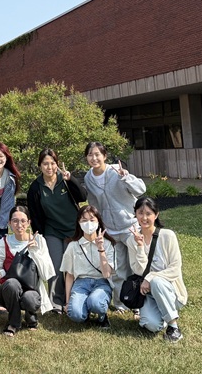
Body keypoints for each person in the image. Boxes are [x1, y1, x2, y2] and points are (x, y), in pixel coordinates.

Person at [82, 141, 146, 311]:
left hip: (130, 226)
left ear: (104, 156)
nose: (94, 158)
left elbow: (140, 189)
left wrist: (126, 177)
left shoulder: (116, 171)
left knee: (137, 265)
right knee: (118, 268)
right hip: (110, 229)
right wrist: (98, 226)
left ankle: (139, 302)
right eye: (90, 155)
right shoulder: (88, 178)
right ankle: (121, 303)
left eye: (97, 154)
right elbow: (94, 204)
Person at [26, 147, 87, 314]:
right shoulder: (36, 187)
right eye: (45, 164)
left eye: (53, 163)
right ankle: (56, 302)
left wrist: (71, 179)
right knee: (55, 266)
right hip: (52, 230)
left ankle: (73, 299)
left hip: (73, 229)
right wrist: (39, 235)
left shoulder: (65, 180)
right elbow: (35, 214)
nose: (49, 167)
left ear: (57, 164)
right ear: (40, 166)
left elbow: (83, 196)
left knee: (72, 266)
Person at [126, 196, 187, 342]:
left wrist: (150, 277)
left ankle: (173, 327)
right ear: (135, 214)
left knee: (157, 281)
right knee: (151, 325)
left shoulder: (168, 236)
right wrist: (140, 247)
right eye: (140, 213)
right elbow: (138, 271)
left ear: (156, 215)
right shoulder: (131, 240)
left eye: (148, 213)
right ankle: (164, 314)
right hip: (148, 293)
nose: (144, 217)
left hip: (171, 291)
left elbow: (175, 268)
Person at [0, 205, 55, 337]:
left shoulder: (39, 241)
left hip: (31, 288)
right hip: (9, 289)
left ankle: (31, 317)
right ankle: (13, 323)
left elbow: (46, 274)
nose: (19, 225)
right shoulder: (3, 242)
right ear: (9, 223)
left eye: (23, 221)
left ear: (29, 223)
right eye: (15, 221)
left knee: (29, 298)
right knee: (12, 284)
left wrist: (35, 251)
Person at [60, 204, 117, 328]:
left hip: (101, 282)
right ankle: (84, 311)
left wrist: (101, 249)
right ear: (79, 223)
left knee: (96, 303)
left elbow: (106, 274)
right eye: (84, 220)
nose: (88, 224)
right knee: (75, 314)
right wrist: (68, 302)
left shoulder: (107, 244)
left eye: (92, 220)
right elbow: (69, 275)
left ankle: (102, 316)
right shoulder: (73, 246)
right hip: (81, 283)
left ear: (98, 222)